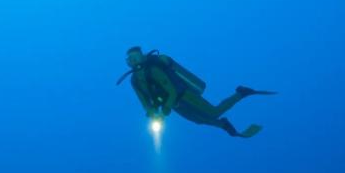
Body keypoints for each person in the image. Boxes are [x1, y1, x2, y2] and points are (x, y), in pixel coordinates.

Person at [117, 46, 275, 138]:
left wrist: (164, 110)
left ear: (142, 56)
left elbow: (171, 90)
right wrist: (152, 113)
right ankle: (224, 124)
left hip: (184, 96)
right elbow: (144, 101)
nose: (133, 61)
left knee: (214, 112)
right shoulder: (134, 80)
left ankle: (241, 93)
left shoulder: (153, 70)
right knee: (198, 120)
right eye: (130, 59)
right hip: (175, 106)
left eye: (135, 57)